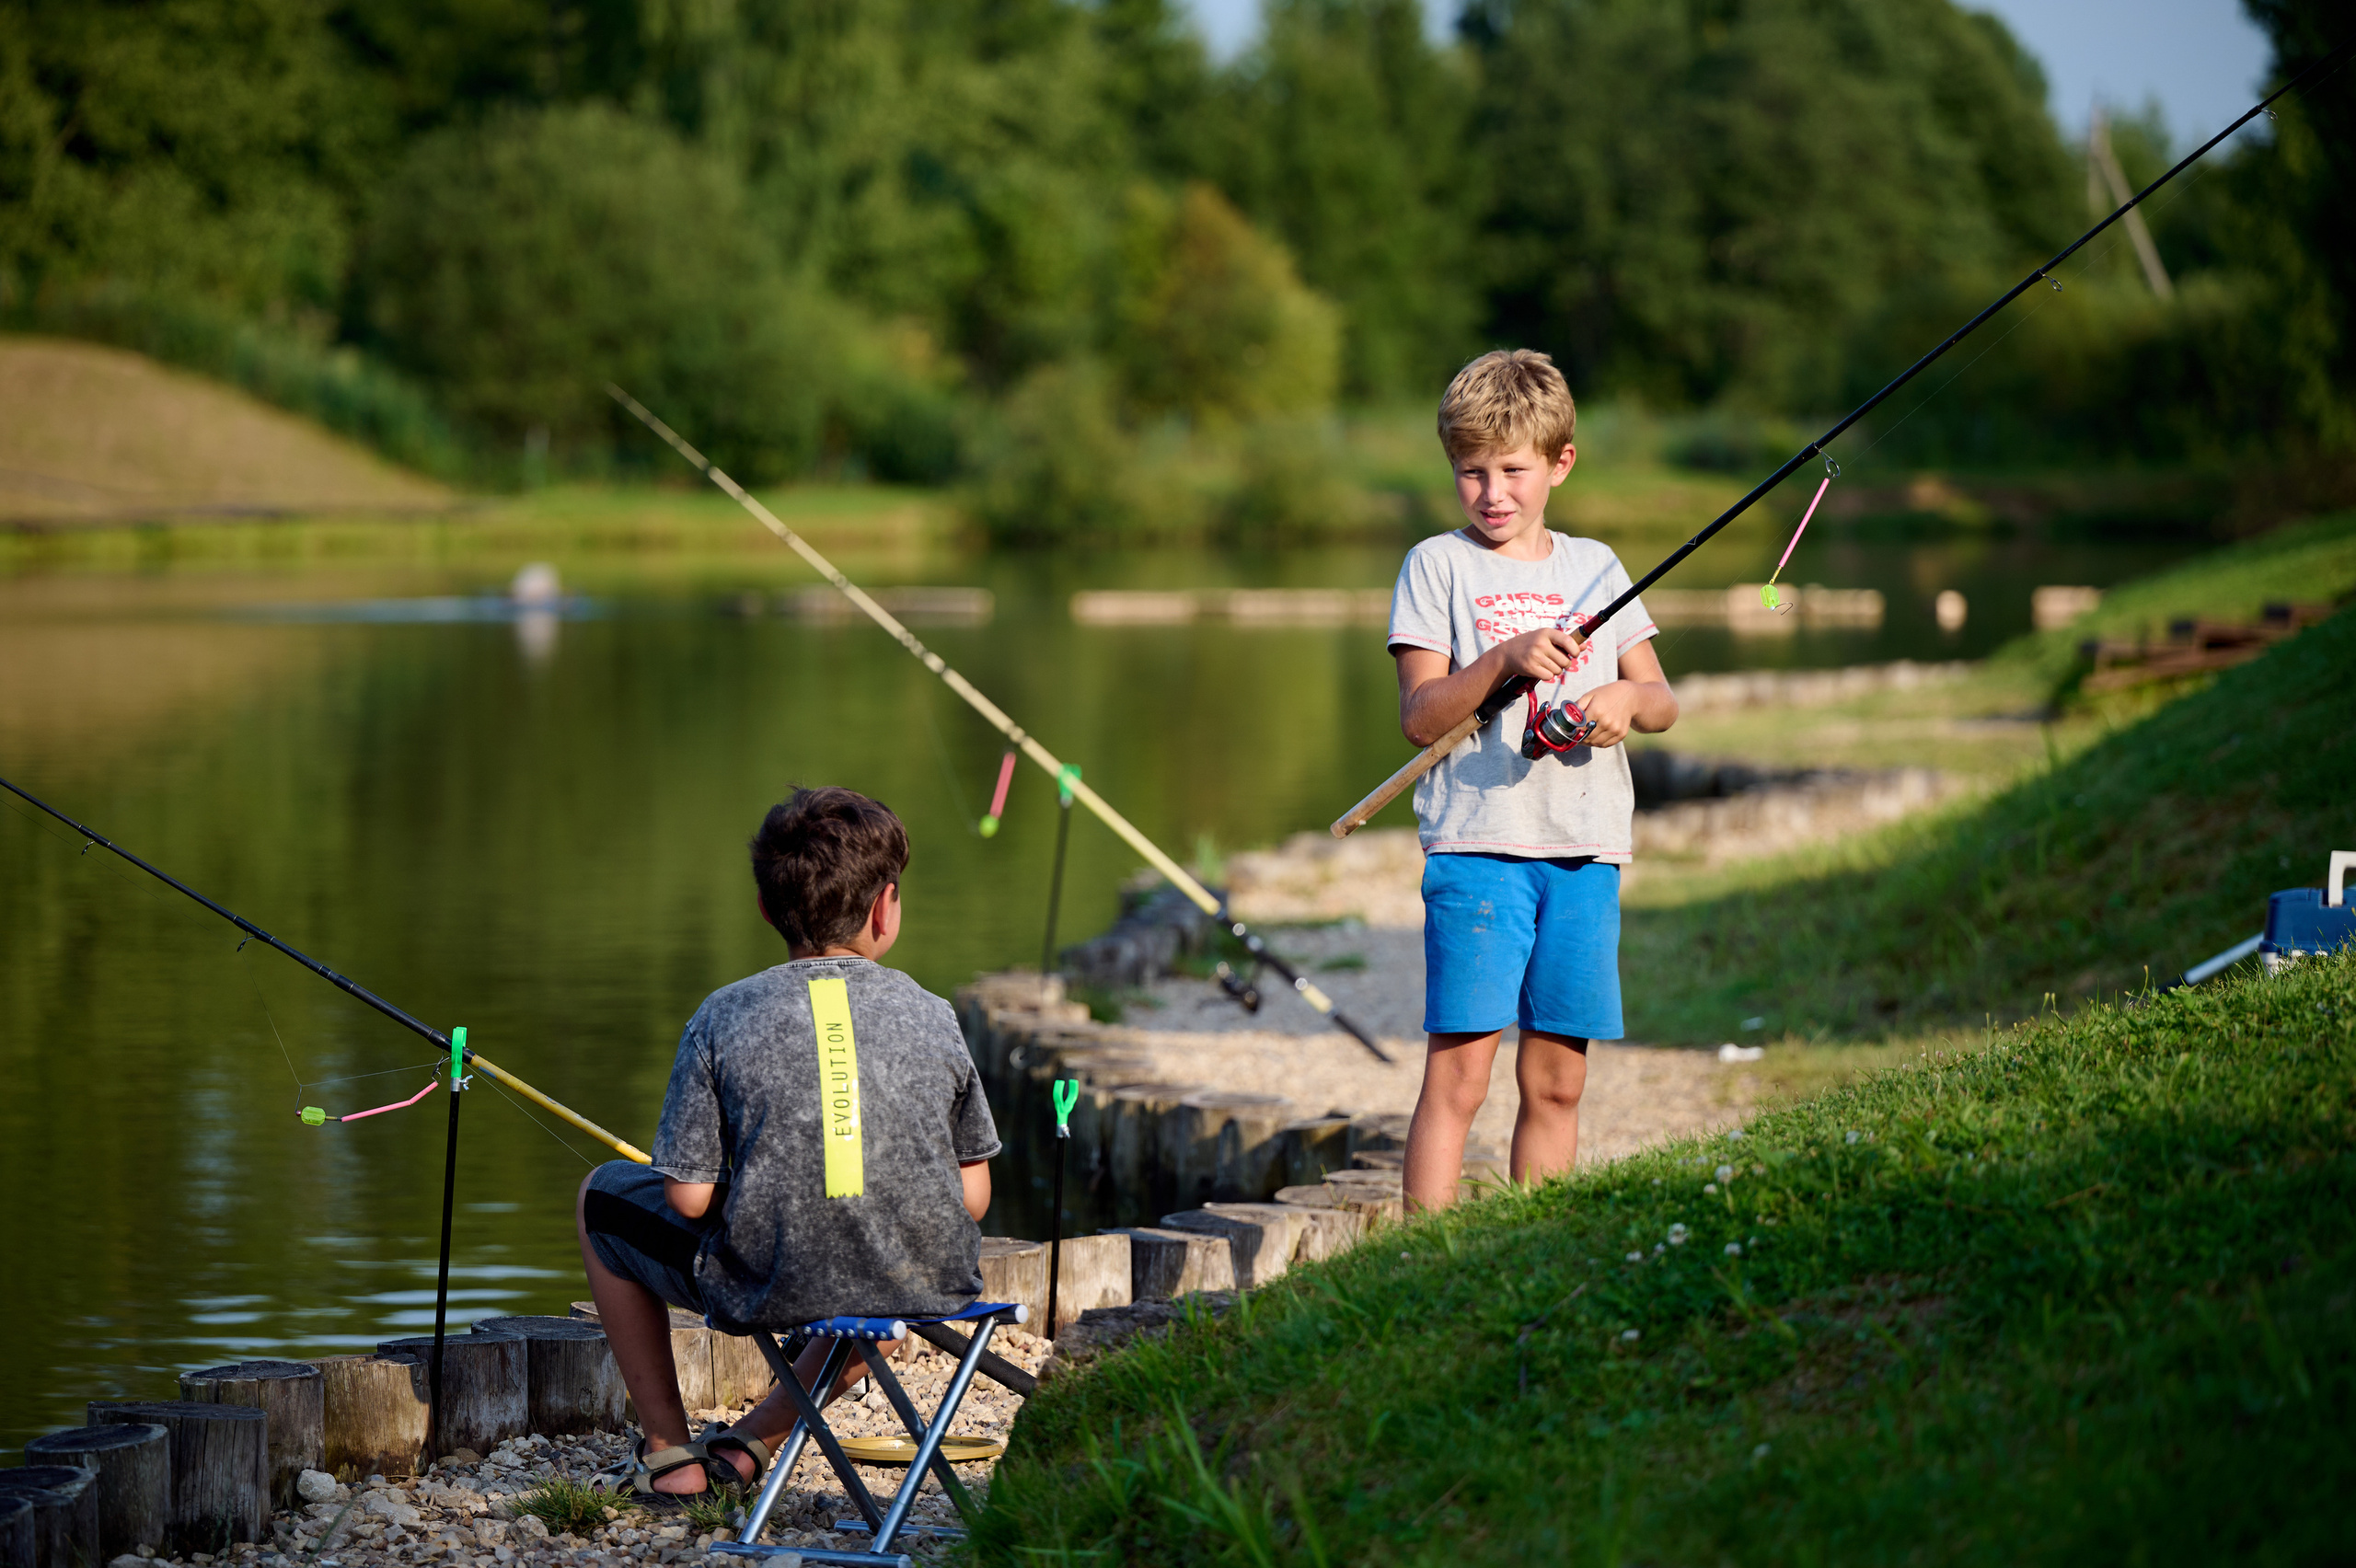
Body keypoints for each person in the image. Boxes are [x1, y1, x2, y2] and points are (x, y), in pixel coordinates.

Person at [573, 786, 999, 1498]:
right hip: (925, 1287)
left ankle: (671, 1456)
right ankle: (748, 1445)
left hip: (767, 1284)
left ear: (768, 909)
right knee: (869, 1263)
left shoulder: (723, 1013)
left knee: (599, 1197)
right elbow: (974, 1199)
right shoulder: (936, 1015)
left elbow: (686, 1196)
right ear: (884, 906)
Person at [1386, 349, 1678, 1213]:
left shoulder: (1596, 565)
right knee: (1460, 1079)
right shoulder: (1436, 565)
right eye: (1470, 472)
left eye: (1513, 469)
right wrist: (1504, 659)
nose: (1492, 492)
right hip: (1478, 851)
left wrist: (1625, 697)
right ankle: (1420, 1260)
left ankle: (1528, 1242)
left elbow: (1663, 700)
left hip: (1585, 853)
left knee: (1556, 1082)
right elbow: (1421, 715)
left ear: (1561, 464)